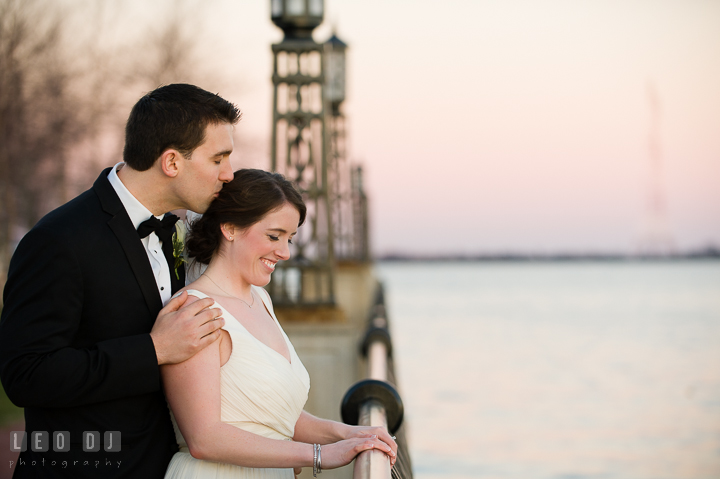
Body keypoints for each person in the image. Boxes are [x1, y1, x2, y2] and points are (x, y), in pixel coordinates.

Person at [0, 84, 240, 478]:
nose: (228, 174)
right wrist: (154, 349)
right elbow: (25, 374)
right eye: (218, 159)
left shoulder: (175, 231)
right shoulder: (59, 240)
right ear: (172, 162)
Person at [162, 169, 397, 478]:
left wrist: (350, 435)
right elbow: (205, 438)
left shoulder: (260, 299)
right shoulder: (196, 309)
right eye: (273, 236)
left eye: (290, 238)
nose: (285, 252)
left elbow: (276, 416)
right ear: (230, 228)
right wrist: (318, 455)